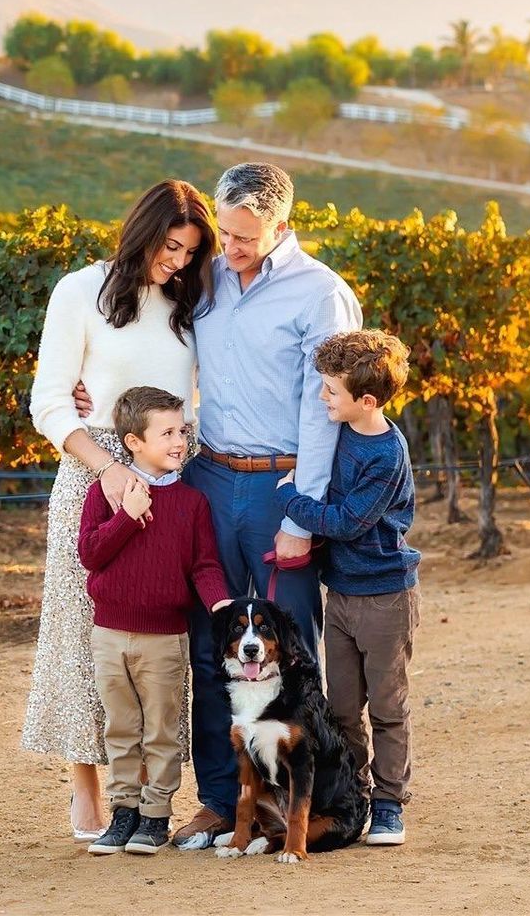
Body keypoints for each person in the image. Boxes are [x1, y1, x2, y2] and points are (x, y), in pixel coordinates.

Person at [72, 161, 361, 850]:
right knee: (212, 645)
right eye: (222, 234)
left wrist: (302, 515)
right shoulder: (207, 282)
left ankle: (319, 804)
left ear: (282, 227)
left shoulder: (321, 295)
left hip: (282, 486)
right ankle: (221, 801)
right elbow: (146, 340)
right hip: (208, 477)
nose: (227, 250)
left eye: (243, 238)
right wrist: (94, 387)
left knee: (291, 650)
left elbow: (325, 414)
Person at [22, 180, 217, 841]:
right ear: (143, 231)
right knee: (83, 635)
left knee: (156, 633)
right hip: (92, 467)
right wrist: (108, 467)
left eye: (190, 252)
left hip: (167, 471)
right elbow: (48, 401)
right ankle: (86, 785)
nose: (178, 263)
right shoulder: (80, 291)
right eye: (170, 246)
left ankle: (153, 795)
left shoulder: (190, 304)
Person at [275, 329, 421, 846]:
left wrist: (291, 499)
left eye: (330, 392)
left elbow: (346, 522)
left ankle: (388, 804)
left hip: (384, 598)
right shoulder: (341, 431)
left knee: (386, 706)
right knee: (341, 708)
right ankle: (353, 797)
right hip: (340, 596)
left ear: (366, 401)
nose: (322, 399)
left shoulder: (386, 455)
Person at [76, 385, 231, 856]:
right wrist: (127, 515)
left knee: (162, 730)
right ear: (133, 442)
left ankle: (155, 816)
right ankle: (123, 813)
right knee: (120, 728)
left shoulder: (191, 504)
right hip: (109, 635)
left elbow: (204, 565)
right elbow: (91, 555)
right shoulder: (103, 495)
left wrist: (220, 605)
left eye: (181, 430)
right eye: (166, 433)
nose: (179, 441)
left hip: (165, 639)